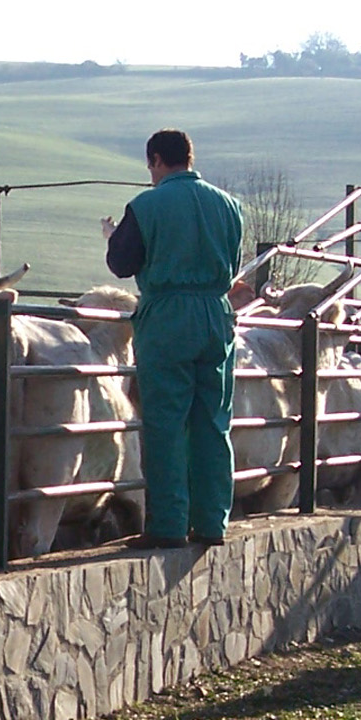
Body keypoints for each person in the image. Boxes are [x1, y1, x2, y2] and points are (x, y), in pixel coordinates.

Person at [102, 129, 252, 548]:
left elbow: (122, 263)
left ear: (155, 160)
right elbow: (233, 263)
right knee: (213, 421)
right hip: (216, 315)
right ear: (189, 158)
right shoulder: (230, 206)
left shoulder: (146, 205)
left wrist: (113, 238)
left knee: (166, 421)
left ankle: (169, 525)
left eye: (150, 165)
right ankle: (212, 523)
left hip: (168, 316)